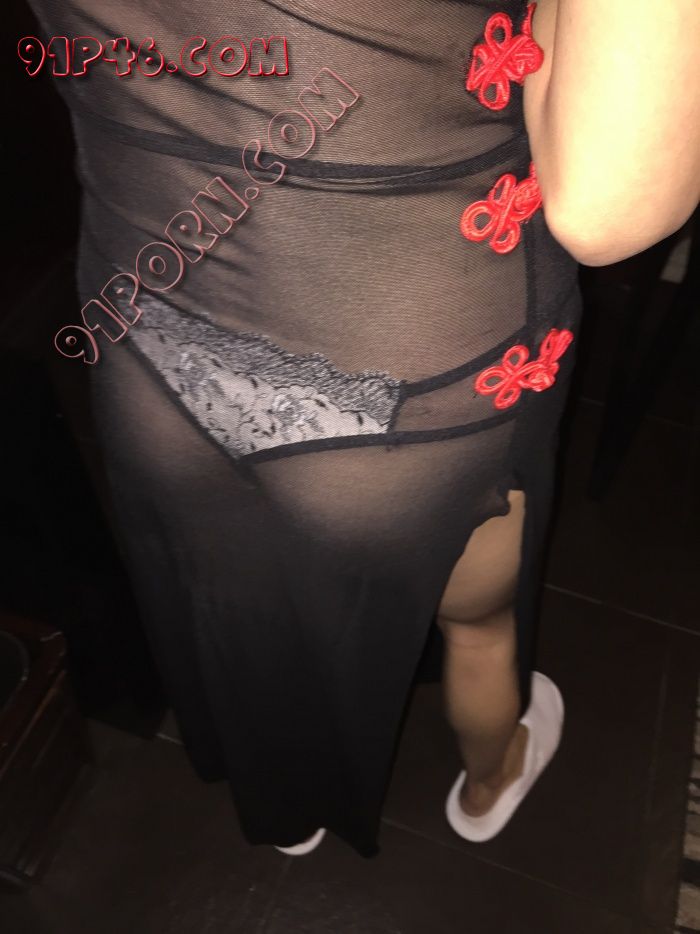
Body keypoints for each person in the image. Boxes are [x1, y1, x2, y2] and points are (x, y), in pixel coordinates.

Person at [22, 0, 699, 858]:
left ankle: (290, 812)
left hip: (153, 327)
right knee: (477, 622)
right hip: (413, 377)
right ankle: (492, 779)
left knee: (240, 607)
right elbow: (610, 208)